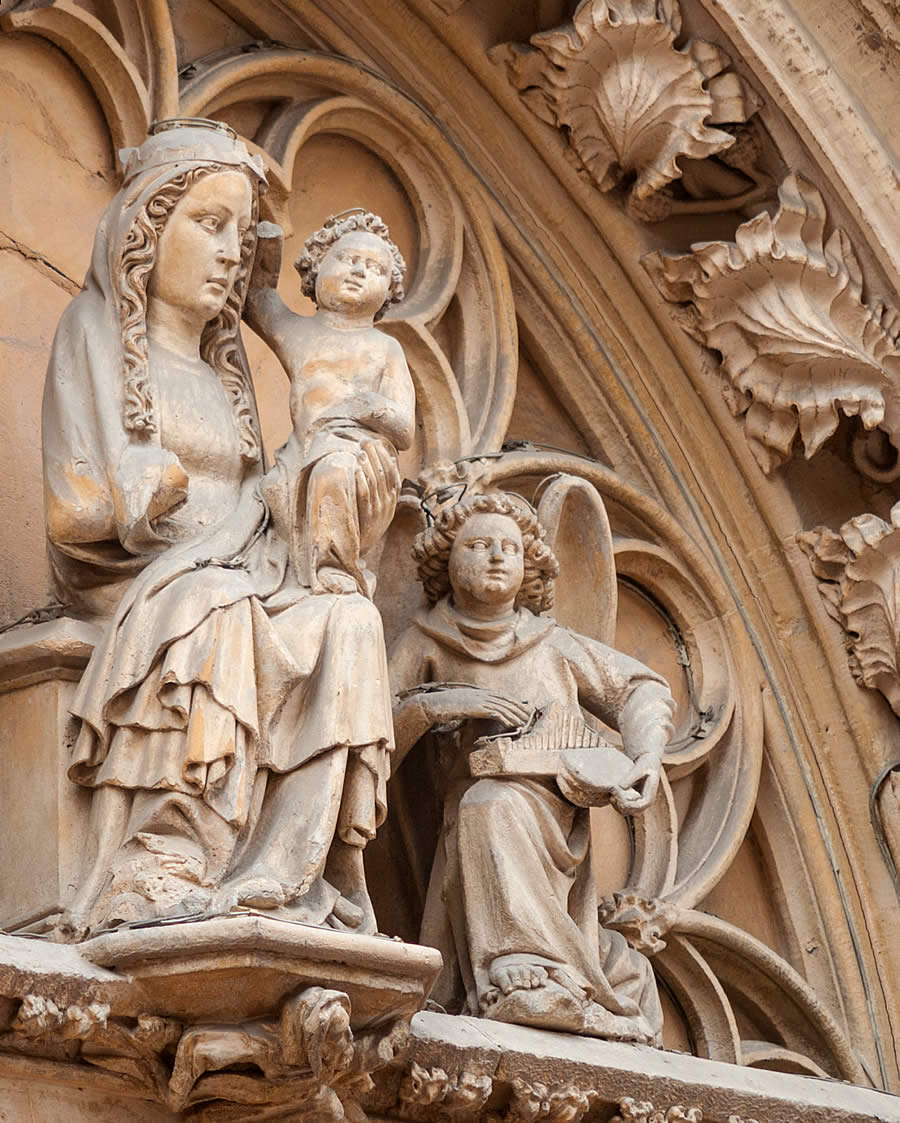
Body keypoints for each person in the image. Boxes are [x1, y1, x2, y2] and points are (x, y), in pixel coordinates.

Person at [43, 120, 395, 939]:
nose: (232, 251)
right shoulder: (93, 336)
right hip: (145, 580)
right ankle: (165, 857)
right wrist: (134, 502)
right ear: (145, 231)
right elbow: (71, 515)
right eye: (209, 224)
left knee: (349, 619)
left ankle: (296, 873)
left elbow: (253, 503)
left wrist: (322, 484)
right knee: (220, 607)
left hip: (238, 567)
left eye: (243, 232)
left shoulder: (225, 368)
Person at [389, 491, 673, 1042]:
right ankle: (514, 961)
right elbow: (371, 735)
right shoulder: (425, 642)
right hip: (473, 812)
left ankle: (549, 969)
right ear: (446, 562)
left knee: (493, 805)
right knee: (485, 803)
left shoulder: (553, 644)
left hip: (555, 816)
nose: (496, 557)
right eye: (478, 545)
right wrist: (435, 705)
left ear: (529, 566)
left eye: (509, 548)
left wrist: (645, 757)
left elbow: (640, 690)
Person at [244, 211, 415, 598]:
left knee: (333, 465)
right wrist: (267, 242)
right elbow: (255, 299)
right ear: (316, 268)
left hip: (361, 463)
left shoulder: (385, 348)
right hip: (299, 458)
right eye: (347, 259)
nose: (358, 271)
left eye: (374, 268)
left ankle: (335, 566)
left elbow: (404, 428)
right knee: (261, 495)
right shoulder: (299, 334)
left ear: (389, 290)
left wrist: (368, 407)